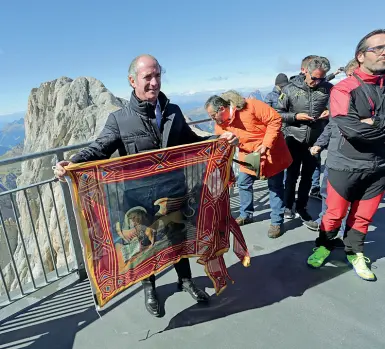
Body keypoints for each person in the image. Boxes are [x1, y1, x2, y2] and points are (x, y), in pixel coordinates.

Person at [53, 54, 239, 317]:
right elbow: (99, 149)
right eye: (147, 77)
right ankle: (149, 288)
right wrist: (72, 162)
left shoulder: (172, 111)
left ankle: (185, 280)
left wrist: (219, 141)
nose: (154, 82)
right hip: (139, 198)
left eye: (157, 76)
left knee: (178, 234)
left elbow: (190, 141)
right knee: (146, 242)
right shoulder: (119, 119)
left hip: (174, 191)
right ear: (132, 81)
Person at [306, 29, 385, 281]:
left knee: (363, 216)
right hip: (344, 166)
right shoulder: (344, 89)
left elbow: (363, 128)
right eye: (379, 48)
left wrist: (373, 122)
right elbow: (351, 129)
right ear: (361, 56)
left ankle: (355, 252)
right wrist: (367, 125)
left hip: (379, 167)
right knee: (334, 214)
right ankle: (324, 245)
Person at [204, 90, 292, 238]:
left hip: (271, 154)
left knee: (275, 187)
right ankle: (246, 214)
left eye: (213, 116)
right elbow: (221, 139)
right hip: (249, 156)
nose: (213, 120)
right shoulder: (221, 124)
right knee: (244, 183)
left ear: (222, 109)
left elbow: (275, 119)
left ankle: (277, 222)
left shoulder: (251, 106)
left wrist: (266, 144)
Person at [277, 56, 333, 230]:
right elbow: (277, 113)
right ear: (305, 71)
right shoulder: (289, 89)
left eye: (321, 78)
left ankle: (302, 207)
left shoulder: (328, 89)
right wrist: (295, 117)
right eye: (314, 78)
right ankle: (288, 205)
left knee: (308, 177)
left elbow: (338, 110)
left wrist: (328, 112)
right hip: (293, 139)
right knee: (292, 175)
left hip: (315, 141)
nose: (316, 82)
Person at [309, 58, 360, 232]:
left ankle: (344, 230)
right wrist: (319, 144)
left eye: (353, 76)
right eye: (348, 76)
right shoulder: (340, 93)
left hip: (359, 156)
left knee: (350, 196)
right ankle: (325, 223)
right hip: (336, 153)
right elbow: (333, 124)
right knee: (327, 191)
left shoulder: (375, 95)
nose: (350, 80)